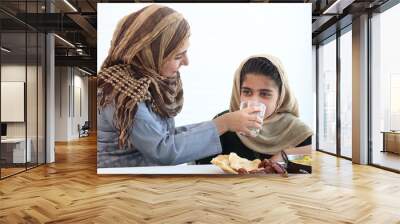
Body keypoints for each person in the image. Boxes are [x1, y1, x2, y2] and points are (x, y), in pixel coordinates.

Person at [97, 4, 262, 168]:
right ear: (151, 54)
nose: (186, 62)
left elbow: (165, 137)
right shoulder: (124, 94)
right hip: (120, 183)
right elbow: (163, 150)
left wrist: (222, 124)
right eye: (178, 56)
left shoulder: (143, 82)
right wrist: (223, 124)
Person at [197, 55, 313, 166]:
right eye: (247, 92)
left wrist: (285, 155)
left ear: (280, 96)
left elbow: (319, 160)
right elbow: (200, 166)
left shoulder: (296, 130)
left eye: (264, 94)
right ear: (238, 92)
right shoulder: (225, 123)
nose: (254, 102)